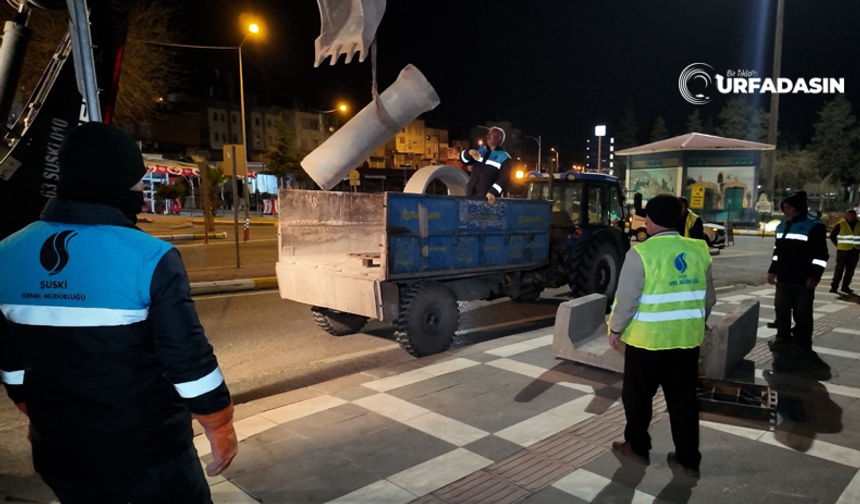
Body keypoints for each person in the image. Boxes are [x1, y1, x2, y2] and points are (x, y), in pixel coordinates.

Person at [0, 123, 237, 504]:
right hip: (146, 455)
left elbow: (11, 361)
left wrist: (35, 414)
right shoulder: (149, 257)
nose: (143, 191)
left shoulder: (6, 253)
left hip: (59, 454)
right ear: (122, 182)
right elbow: (187, 359)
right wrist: (219, 424)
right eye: (139, 180)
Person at [608, 194, 716, 479]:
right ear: (680, 218)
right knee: (683, 402)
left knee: (638, 398)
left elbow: (627, 300)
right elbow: (709, 300)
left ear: (650, 220)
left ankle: (638, 446)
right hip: (686, 342)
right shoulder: (698, 250)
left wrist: (615, 329)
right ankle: (688, 457)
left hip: (647, 343)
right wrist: (694, 323)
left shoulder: (640, 253)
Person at [767, 191, 829, 355]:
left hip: (803, 279)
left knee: (802, 313)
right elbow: (777, 250)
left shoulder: (814, 226)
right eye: (784, 207)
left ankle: (803, 344)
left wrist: (814, 276)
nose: (785, 211)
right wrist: (772, 271)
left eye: (788, 207)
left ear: (797, 208)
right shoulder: (783, 225)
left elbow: (821, 255)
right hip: (784, 277)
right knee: (781, 309)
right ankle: (783, 338)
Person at [460, 126, 513, 205]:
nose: (488, 136)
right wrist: (469, 153)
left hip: (487, 200)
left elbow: (504, 179)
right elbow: (464, 160)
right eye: (488, 134)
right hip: (470, 196)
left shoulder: (504, 157)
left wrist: (492, 192)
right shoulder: (481, 150)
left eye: (491, 135)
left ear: (499, 138)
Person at [830, 209, 860, 294]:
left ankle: (845, 287)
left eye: (852, 216)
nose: (851, 217)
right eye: (849, 215)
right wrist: (838, 245)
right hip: (842, 251)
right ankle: (834, 286)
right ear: (846, 216)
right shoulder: (840, 225)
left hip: (855, 251)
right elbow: (832, 236)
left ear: (855, 216)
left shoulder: (859, 225)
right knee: (839, 269)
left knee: (850, 271)